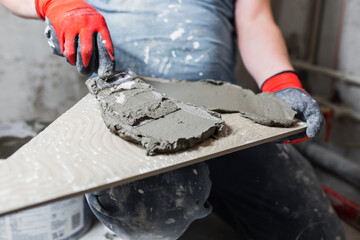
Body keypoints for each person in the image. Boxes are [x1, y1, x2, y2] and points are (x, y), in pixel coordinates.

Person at [1, 0, 346, 239]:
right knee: (151, 214)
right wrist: (57, 5)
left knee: (314, 231)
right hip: (135, 115)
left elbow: (255, 20)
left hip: (226, 117)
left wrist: (280, 82)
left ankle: (213, 191)